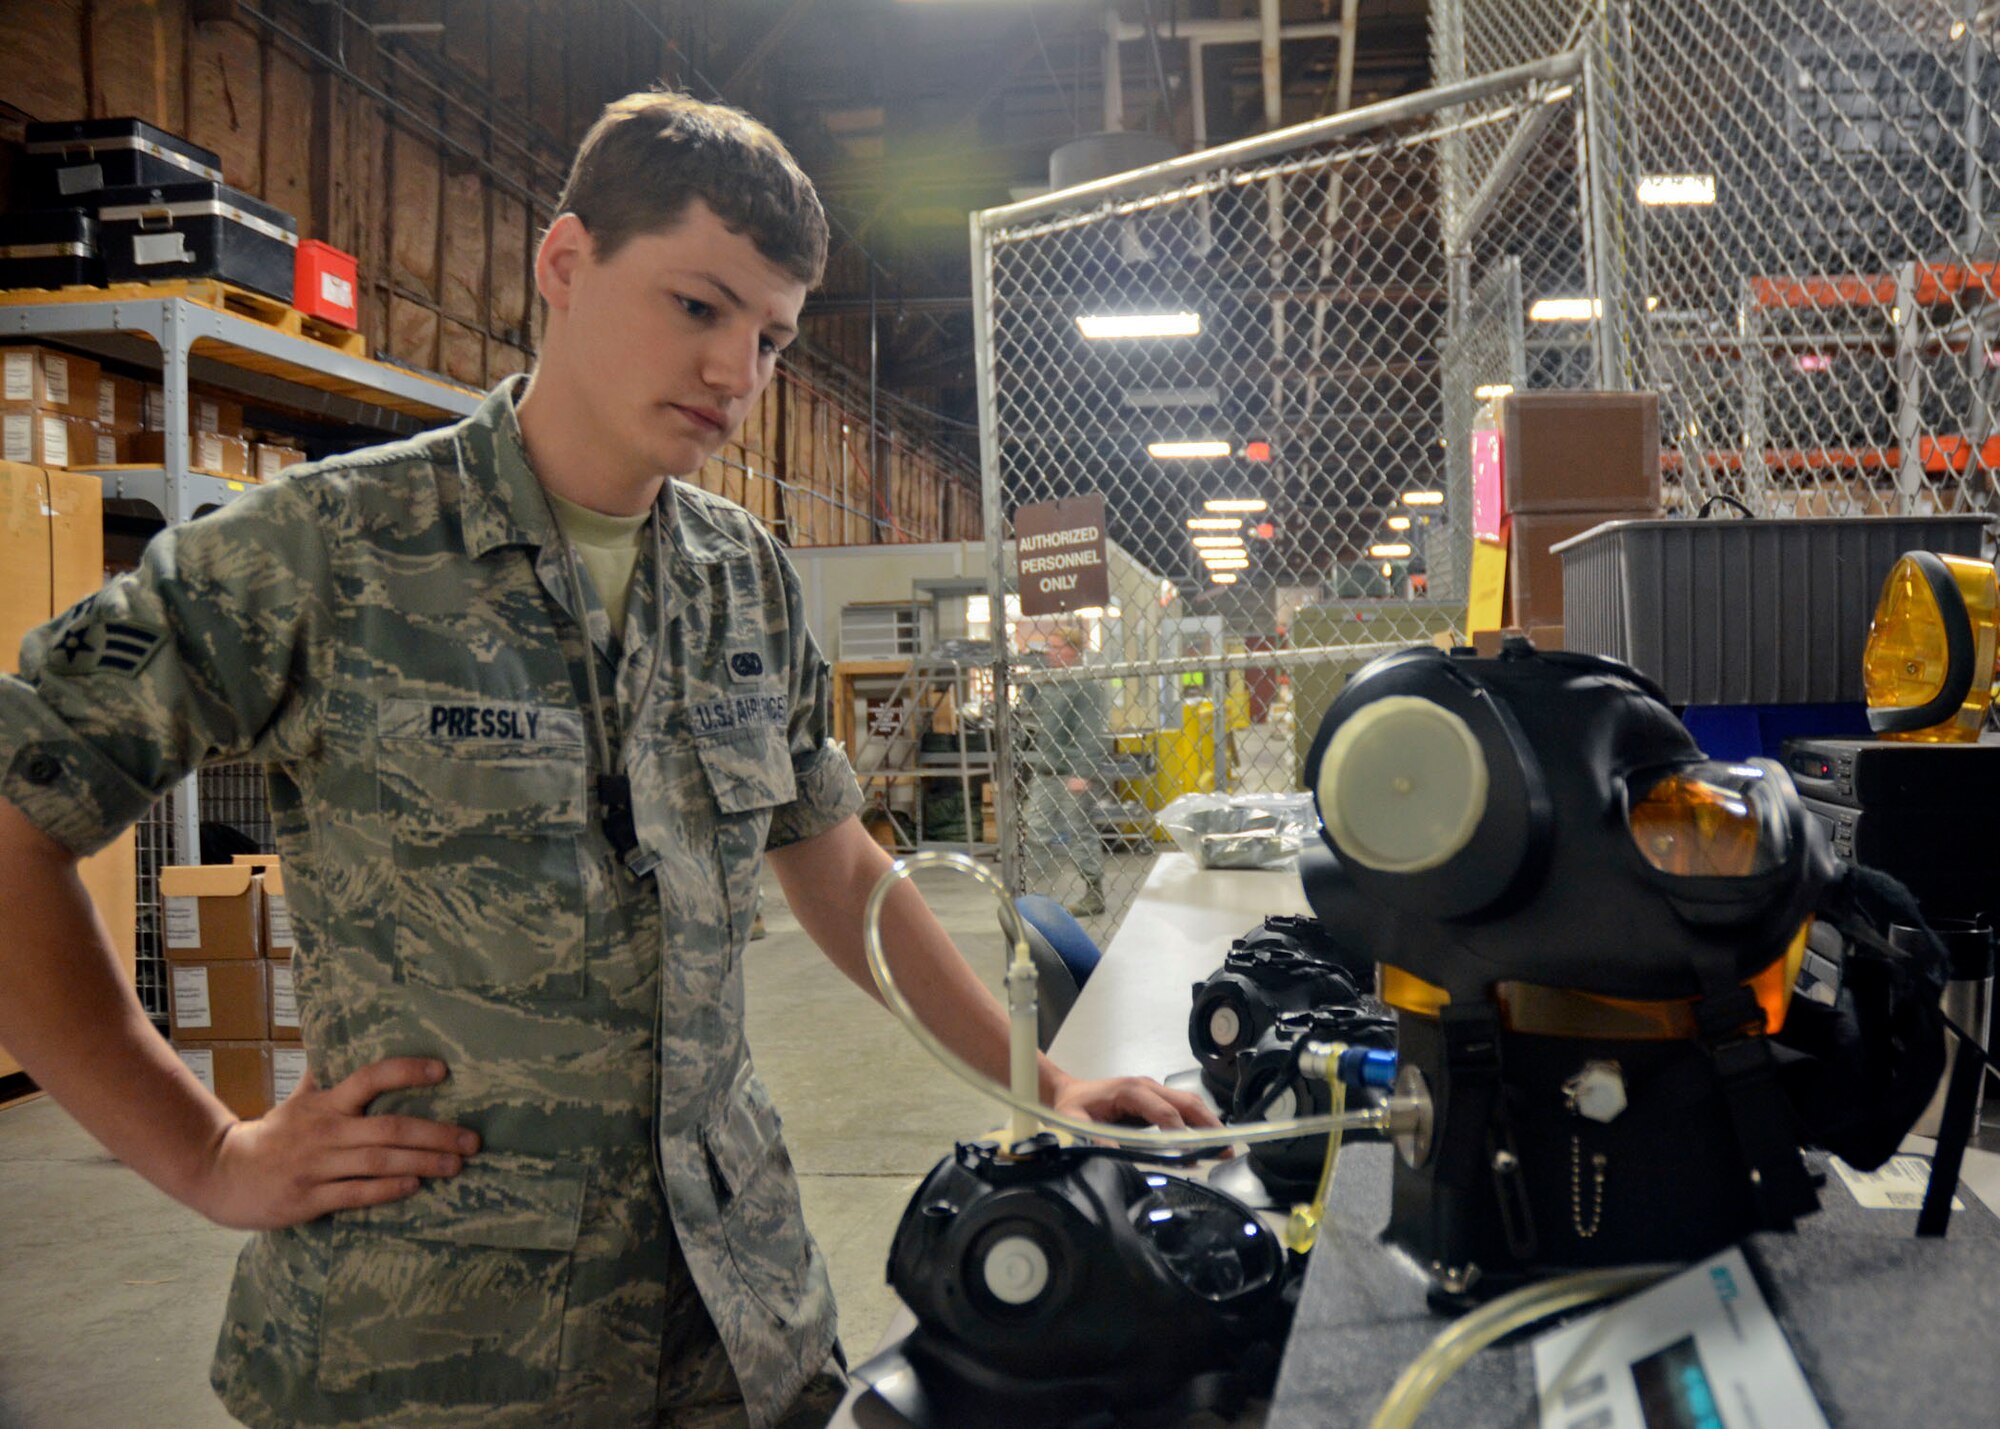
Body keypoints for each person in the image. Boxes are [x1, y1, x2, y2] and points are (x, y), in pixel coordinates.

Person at [0, 91, 1218, 1429]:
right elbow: (18, 820)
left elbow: (839, 867)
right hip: (442, 1352)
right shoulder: (324, 552)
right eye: (697, 307)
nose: (736, 375)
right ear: (567, 265)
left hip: (734, 1326)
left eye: (769, 336)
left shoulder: (742, 577)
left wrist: (1040, 1082)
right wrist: (211, 1157)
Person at [1023, 626, 1112, 917]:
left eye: (1058, 647)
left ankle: (1093, 893)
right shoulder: (1050, 682)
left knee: (1079, 831)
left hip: (1073, 769)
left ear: (1074, 651)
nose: (1051, 652)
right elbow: (1033, 715)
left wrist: (1083, 771)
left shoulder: (1084, 685)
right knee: (1035, 828)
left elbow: (1090, 732)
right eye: (1049, 646)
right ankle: (1031, 894)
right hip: (1047, 768)